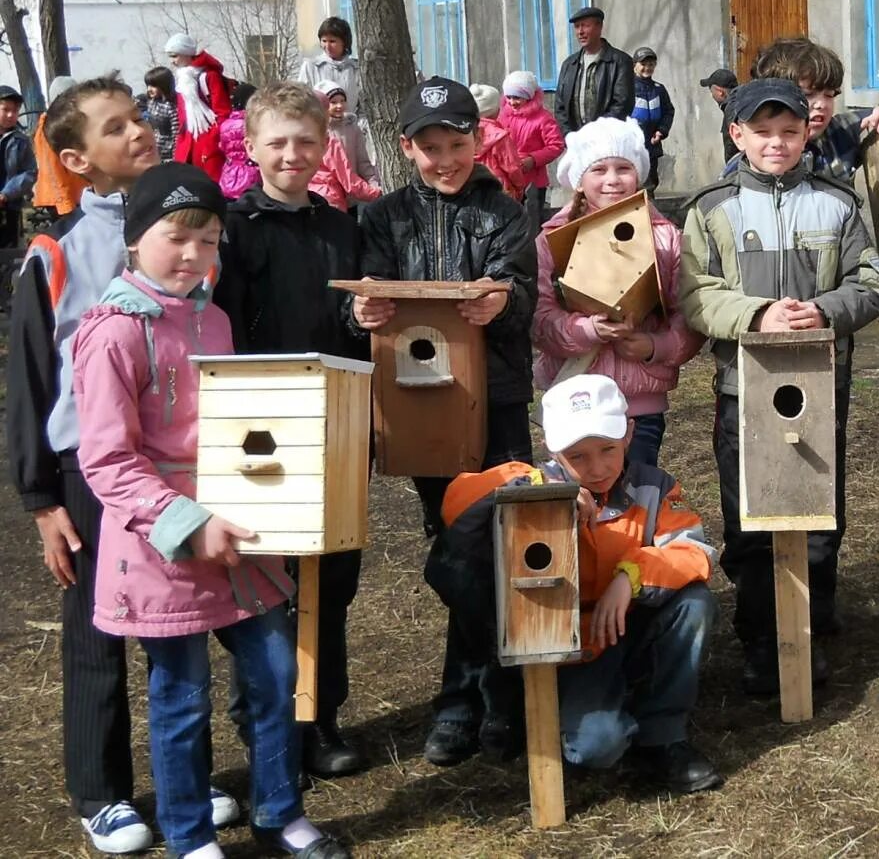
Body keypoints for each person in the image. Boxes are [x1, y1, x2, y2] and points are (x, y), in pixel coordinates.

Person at [72, 162, 350, 859]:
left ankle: (278, 812)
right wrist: (187, 524)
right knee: (181, 696)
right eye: (178, 237)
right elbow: (107, 459)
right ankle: (191, 834)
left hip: (242, 533)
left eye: (209, 239)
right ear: (137, 239)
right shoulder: (111, 333)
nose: (195, 254)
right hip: (165, 547)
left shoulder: (215, 317)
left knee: (277, 675)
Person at [5, 79, 240, 853]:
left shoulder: (194, 232)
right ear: (78, 159)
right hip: (90, 468)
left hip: (176, 464)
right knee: (95, 631)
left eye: (139, 117)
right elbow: (35, 377)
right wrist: (43, 497)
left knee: (178, 622)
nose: (140, 131)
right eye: (117, 127)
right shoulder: (57, 251)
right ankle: (99, 790)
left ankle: (183, 774)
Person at [352, 75, 537, 767]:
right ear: (406, 148)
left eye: (456, 143)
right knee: (456, 546)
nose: (444, 158)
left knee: (497, 540)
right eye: (429, 147)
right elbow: (367, 297)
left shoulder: (506, 213)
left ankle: (472, 701)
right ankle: (486, 696)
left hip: (495, 401)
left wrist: (503, 302)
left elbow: (523, 294)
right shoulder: (383, 217)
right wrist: (360, 311)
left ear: (479, 138)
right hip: (421, 404)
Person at [679, 77, 879, 693]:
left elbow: (869, 282)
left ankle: (813, 628)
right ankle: (761, 638)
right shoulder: (710, 208)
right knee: (750, 514)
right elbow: (694, 293)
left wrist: (824, 310)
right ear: (737, 135)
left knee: (817, 511)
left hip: (820, 386)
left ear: (806, 133)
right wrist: (755, 315)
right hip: (744, 389)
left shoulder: (838, 203)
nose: (777, 143)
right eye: (762, 132)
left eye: (789, 131)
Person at [425, 374, 723, 793]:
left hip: (629, 626)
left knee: (694, 601)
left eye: (607, 450)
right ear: (552, 449)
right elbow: (458, 502)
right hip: (572, 649)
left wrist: (631, 576)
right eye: (578, 456)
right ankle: (592, 711)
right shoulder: (529, 485)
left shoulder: (654, 487)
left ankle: (663, 736)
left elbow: (693, 550)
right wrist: (542, 487)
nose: (597, 468)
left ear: (629, 434)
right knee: (598, 748)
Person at [213, 82, 368, 779]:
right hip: (261, 422)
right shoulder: (234, 227)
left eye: (305, 141)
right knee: (264, 579)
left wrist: (361, 323)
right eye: (277, 141)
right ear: (252, 147)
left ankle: (320, 714)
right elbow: (221, 328)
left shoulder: (340, 228)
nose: (292, 153)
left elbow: (347, 321)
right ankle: (265, 719)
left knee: (329, 575)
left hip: (335, 416)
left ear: (323, 146)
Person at [534, 118, 703, 467]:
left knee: (637, 494)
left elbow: (688, 313)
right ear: (579, 180)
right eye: (599, 169)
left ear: (638, 174)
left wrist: (654, 347)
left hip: (638, 405)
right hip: (574, 396)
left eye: (623, 168)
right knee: (581, 499)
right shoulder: (551, 239)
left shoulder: (665, 237)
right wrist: (587, 330)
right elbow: (539, 317)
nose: (612, 179)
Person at [726, 37, 879, 183]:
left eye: (829, 95)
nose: (821, 104)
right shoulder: (747, 163)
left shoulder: (840, 132)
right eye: (808, 95)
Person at [499, 70, 565, 230]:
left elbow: (556, 145)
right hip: (508, 178)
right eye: (509, 97)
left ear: (529, 96)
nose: (512, 102)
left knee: (531, 222)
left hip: (533, 181)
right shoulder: (504, 116)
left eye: (517, 97)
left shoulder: (543, 118)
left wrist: (533, 159)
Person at [553, 6, 634, 134]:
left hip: (608, 140)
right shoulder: (569, 64)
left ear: (599, 27)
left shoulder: (620, 62)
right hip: (576, 143)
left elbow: (622, 105)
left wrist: (595, 134)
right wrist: (570, 136)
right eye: (577, 26)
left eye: (585, 26)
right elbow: (560, 107)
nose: (580, 32)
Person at [165, 32, 233, 178]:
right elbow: (183, 116)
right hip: (188, 139)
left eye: (175, 56)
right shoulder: (182, 80)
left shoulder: (209, 76)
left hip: (208, 140)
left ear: (187, 53)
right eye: (170, 56)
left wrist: (213, 139)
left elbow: (223, 111)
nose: (172, 61)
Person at [32, 76, 89, 218]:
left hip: (77, 195)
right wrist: (64, 203)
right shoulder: (49, 126)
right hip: (60, 199)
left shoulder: (69, 123)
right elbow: (51, 168)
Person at [313, 79, 381, 190]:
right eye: (333, 102)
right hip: (327, 193)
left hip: (353, 192)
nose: (339, 105)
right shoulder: (318, 130)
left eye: (342, 100)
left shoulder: (352, 128)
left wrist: (373, 183)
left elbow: (363, 162)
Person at [469, 82, 527, 200]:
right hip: (500, 191)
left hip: (471, 188)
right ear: (495, 110)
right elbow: (513, 168)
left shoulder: (465, 133)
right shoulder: (500, 136)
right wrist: (520, 188)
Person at [630, 47, 676, 191]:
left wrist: (661, 131)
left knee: (650, 184)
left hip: (651, 146)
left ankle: (649, 212)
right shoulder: (626, 88)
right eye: (643, 64)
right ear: (634, 65)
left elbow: (669, 111)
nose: (647, 68)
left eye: (651, 64)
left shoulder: (659, 89)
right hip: (632, 148)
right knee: (632, 183)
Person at [295, 16, 361, 115]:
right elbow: (301, 101)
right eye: (324, 41)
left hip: (348, 126)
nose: (327, 46)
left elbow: (364, 106)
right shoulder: (311, 67)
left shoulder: (356, 69)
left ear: (345, 42)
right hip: (320, 126)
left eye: (332, 41)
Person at [0, 83, 36, 253]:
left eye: (14, 111)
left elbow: (30, 173)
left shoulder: (21, 141)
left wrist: (6, 194)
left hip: (9, 208)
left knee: (8, 255)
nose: (10, 115)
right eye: (5, 109)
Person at [215, 84, 259, 201]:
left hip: (229, 173)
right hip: (252, 174)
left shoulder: (225, 124)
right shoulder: (253, 124)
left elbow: (222, 147)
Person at [138, 67, 179, 164]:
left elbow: (176, 134)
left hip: (168, 155)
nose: (149, 89)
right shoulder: (151, 103)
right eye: (148, 86)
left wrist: (175, 157)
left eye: (153, 86)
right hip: (154, 152)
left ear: (163, 86)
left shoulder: (171, 108)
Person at [701, 66, 739, 162]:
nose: (711, 95)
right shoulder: (737, 103)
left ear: (720, 92)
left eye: (711, 90)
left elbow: (733, 145)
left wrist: (732, 173)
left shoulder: (732, 108)